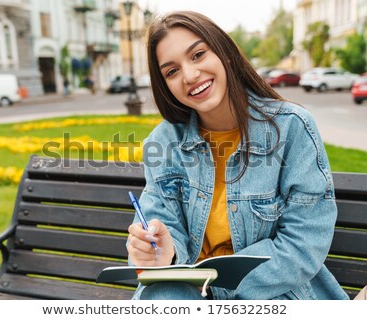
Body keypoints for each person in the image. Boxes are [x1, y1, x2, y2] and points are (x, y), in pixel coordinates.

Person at [127, 11, 349, 300]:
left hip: (271, 292)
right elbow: (159, 224)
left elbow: (304, 244)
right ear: (165, 86)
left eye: (197, 55)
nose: (190, 76)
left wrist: (212, 282)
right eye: (172, 71)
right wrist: (161, 254)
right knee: (165, 295)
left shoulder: (292, 127)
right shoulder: (164, 141)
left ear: (225, 54)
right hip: (187, 293)